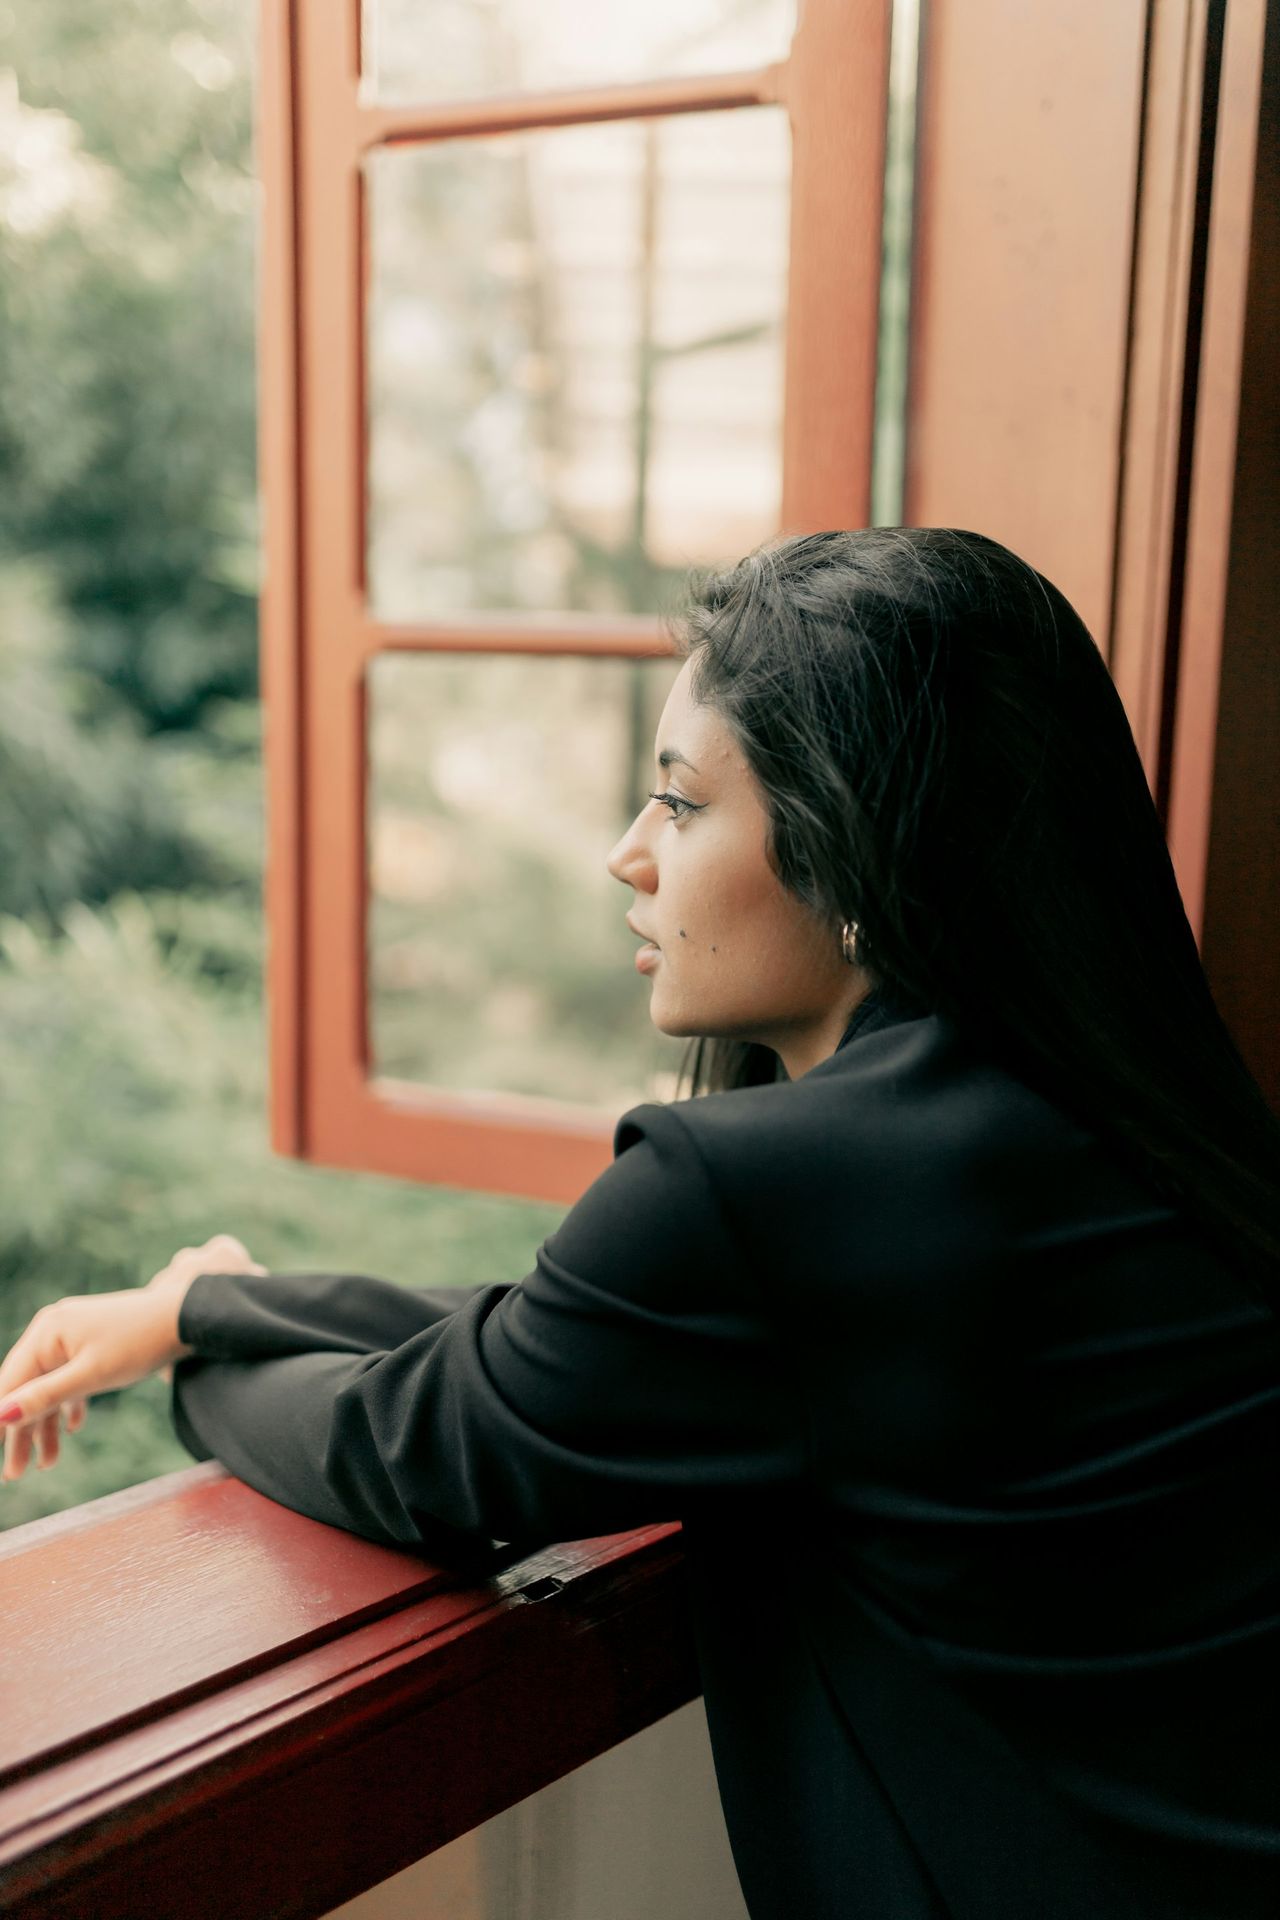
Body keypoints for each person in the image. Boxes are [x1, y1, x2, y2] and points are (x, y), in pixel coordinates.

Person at [2, 527, 1278, 1919]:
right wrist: (212, 1304)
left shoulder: (774, 1192)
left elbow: (421, 1453)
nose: (627, 856)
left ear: (854, 831)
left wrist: (199, 1378)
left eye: (679, 804)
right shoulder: (1111, 1115)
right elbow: (564, 1347)